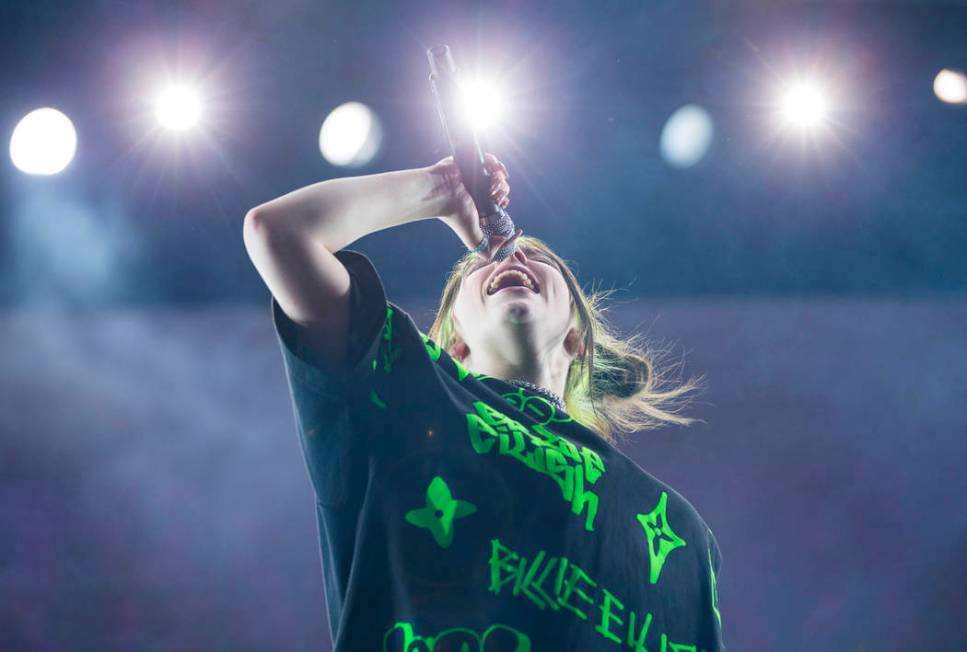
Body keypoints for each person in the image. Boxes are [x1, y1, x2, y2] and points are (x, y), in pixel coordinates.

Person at [243, 153, 725, 651]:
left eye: (540, 259)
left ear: (578, 335)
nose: (510, 257)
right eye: (479, 264)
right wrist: (441, 190)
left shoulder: (681, 532)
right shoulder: (403, 387)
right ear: (455, 341)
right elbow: (277, 231)